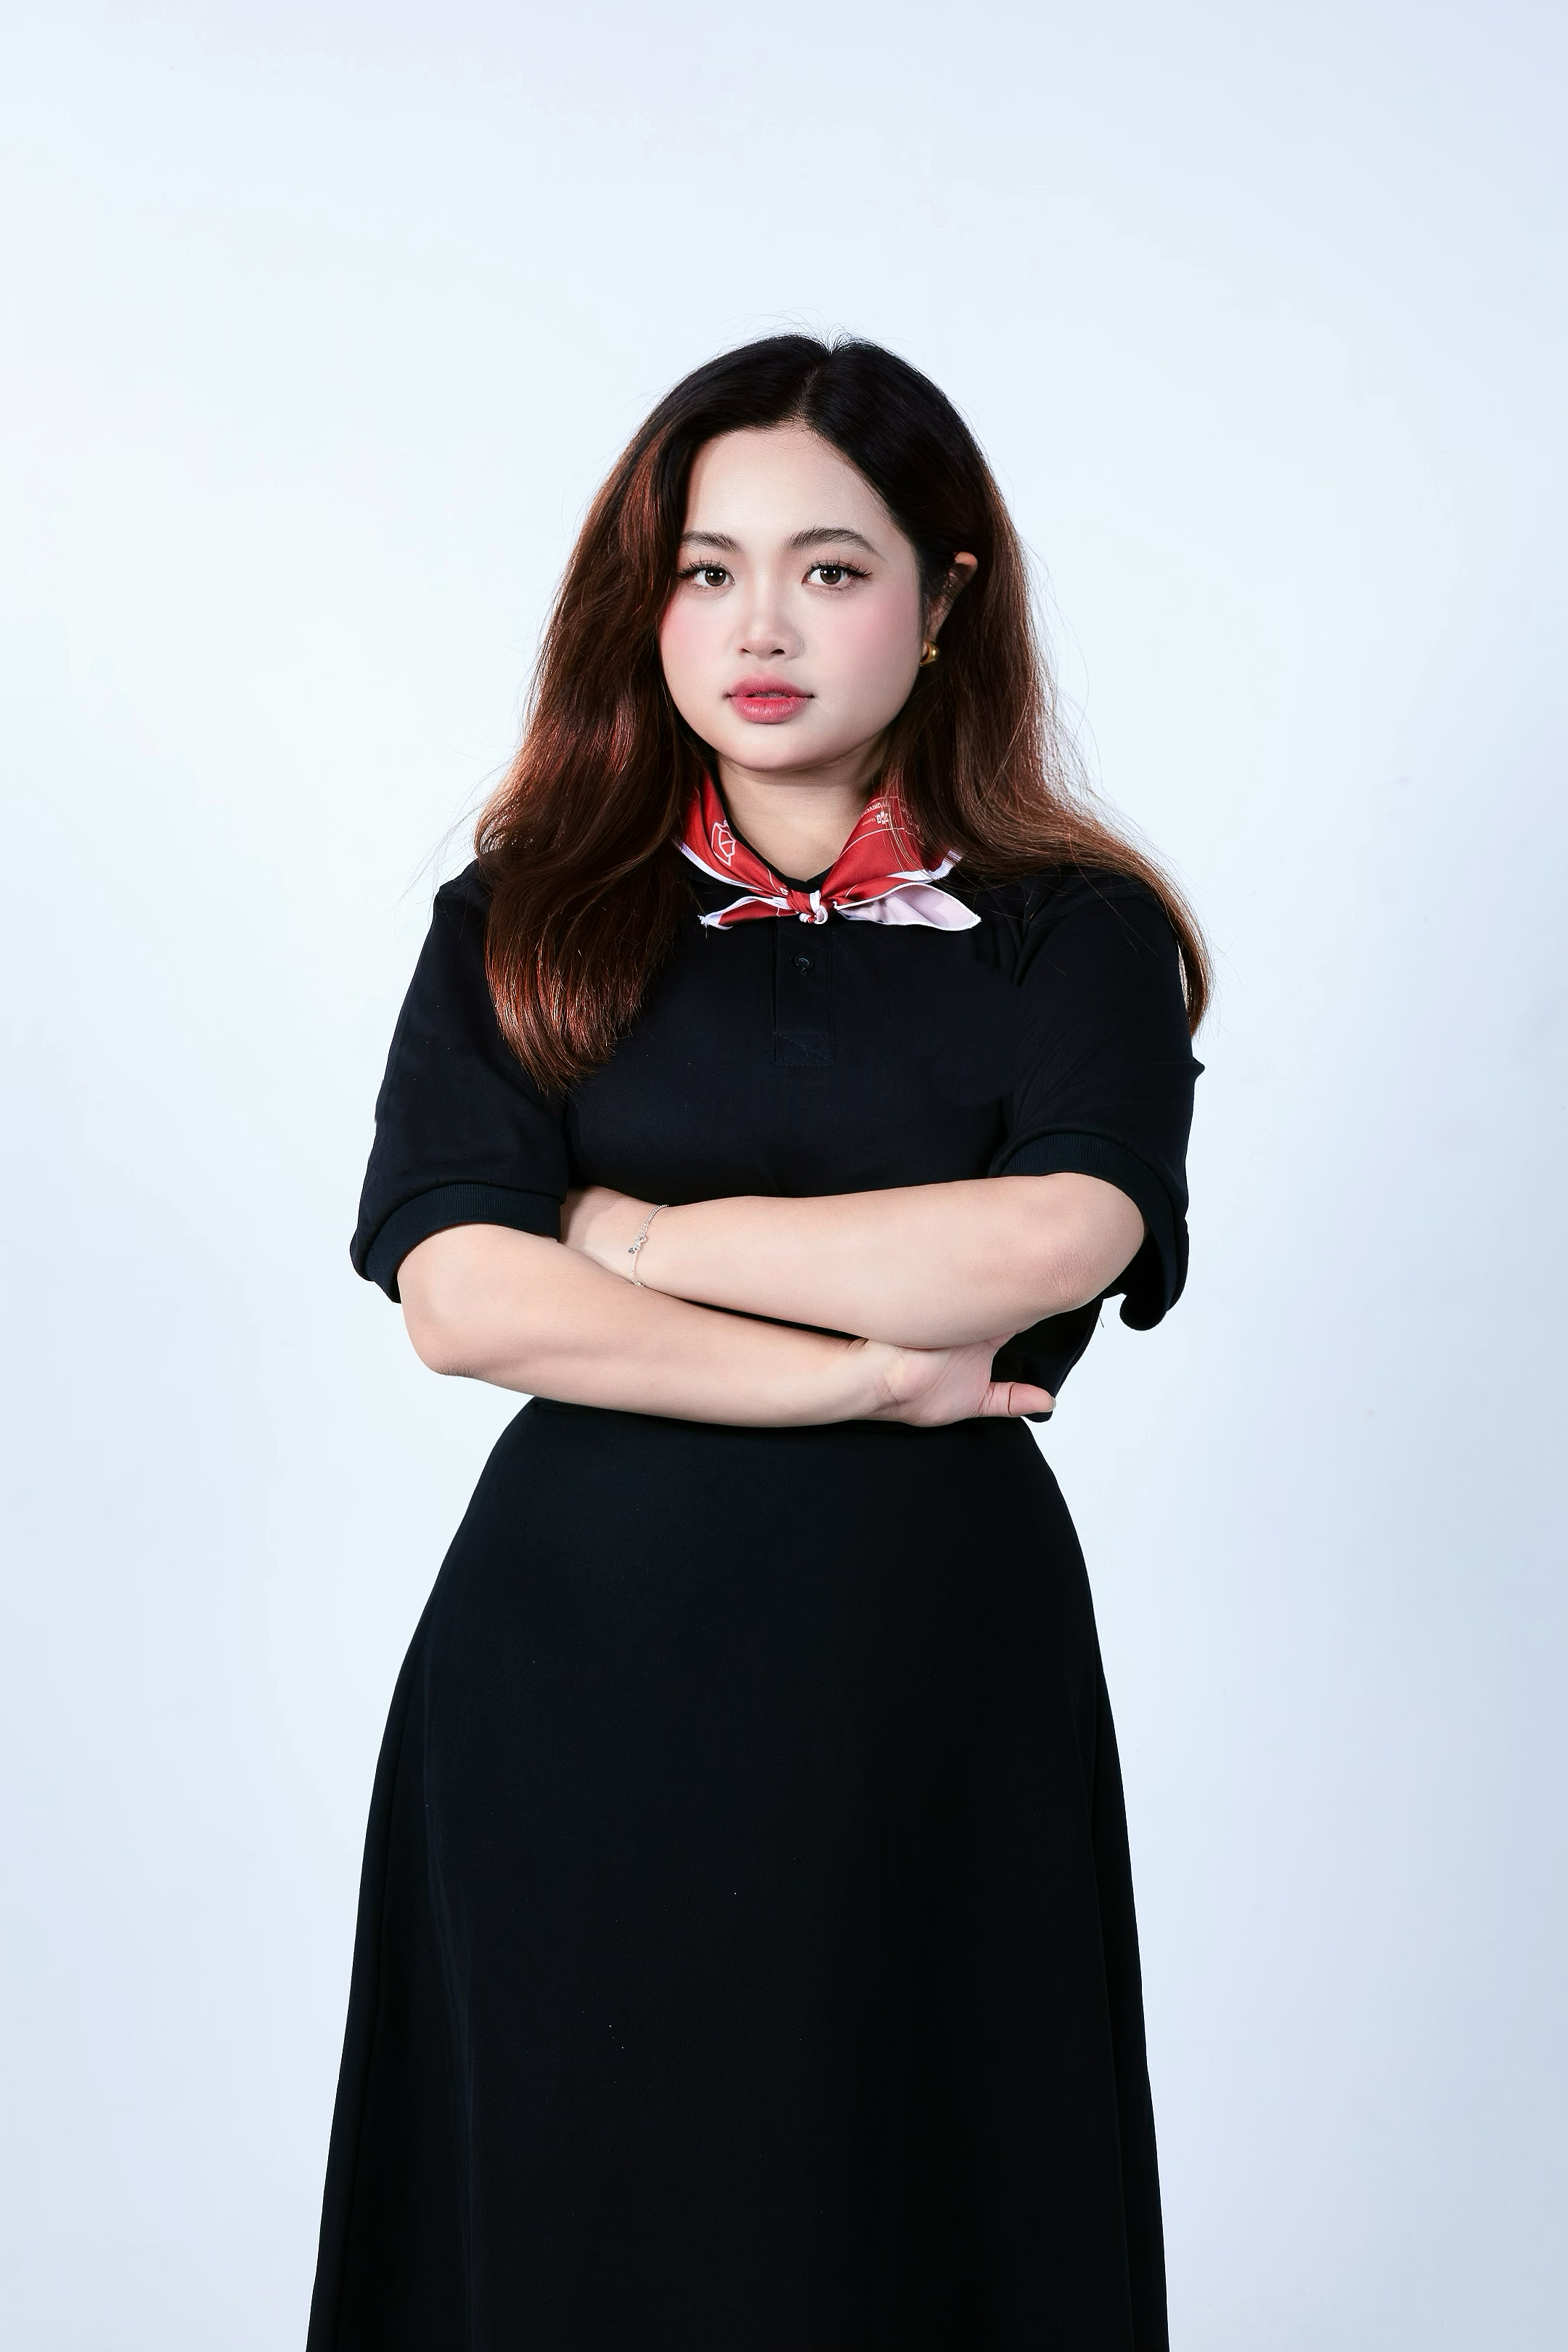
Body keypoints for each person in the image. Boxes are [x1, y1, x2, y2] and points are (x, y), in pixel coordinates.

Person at [306, 333, 1206, 2352]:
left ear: (943, 595)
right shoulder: (525, 917)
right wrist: (860, 1374)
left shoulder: (1074, 931)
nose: (758, 627)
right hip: (574, 1675)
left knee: (922, 2214)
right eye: (707, 572)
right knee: (576, 2225)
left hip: (930, 1679)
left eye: (828, 568)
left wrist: (628, 1235)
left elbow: (1060, 1235)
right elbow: (459, 1296)